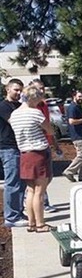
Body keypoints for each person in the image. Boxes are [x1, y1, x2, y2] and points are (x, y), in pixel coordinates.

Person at [9, 85, 53, 232]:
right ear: (33, 98)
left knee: (30, 190)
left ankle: (31, 223)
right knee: (40, 191)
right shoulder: (35, 113)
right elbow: (50, 130)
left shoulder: (14, 115)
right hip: (38, 153)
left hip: (24, 154)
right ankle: (40, 224)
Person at [28, 79, 61, 213]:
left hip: (45, 144)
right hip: (34, 146)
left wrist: (55, 144)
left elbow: (48, 127)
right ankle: (42, 203)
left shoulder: (44, 105)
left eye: (42, 88)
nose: (41, 91)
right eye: (38, 89)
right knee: (38, 180)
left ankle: (42, 201)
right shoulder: (31, 108)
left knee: (48, 176)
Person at [0, 79, 27, 228]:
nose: (18, 93)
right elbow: (15, 122)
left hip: (20, 147)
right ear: (8, 89)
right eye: (16, 90)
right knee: (12, 183)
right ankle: (11, 217)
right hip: (8, 148)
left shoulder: (19, 105)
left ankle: (18, 212)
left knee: (21, 183)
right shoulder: (3, 106)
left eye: (20, 90)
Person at [63, 90, 82, 182]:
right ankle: (69, 171)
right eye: (79, 96)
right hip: (78, 136)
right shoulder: (73, 107)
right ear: (74, 97)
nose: (81, 98)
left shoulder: (78, 107)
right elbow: (71, 121)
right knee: (81, 155)